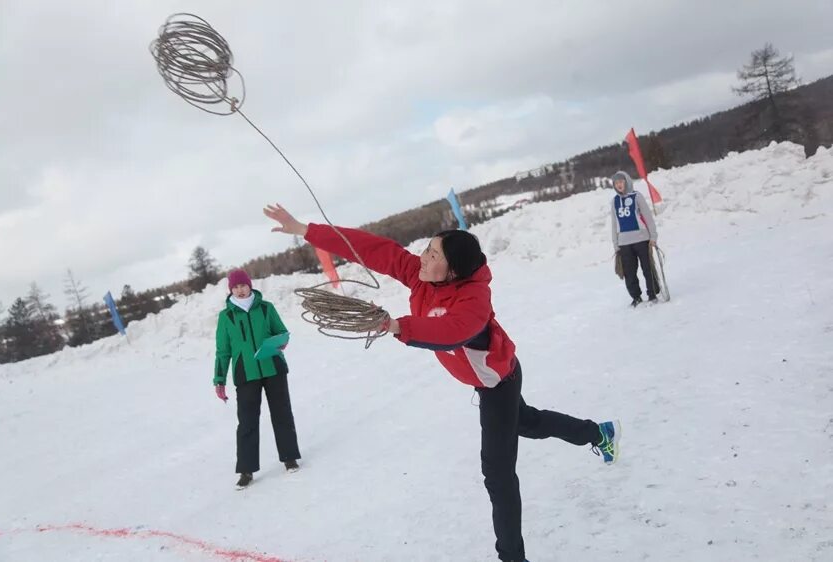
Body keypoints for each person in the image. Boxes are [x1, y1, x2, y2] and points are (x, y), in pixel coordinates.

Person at [263, 204, 620, 562]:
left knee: (497, 474)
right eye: (427, 248)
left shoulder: (473, 299)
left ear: (453, 271)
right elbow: (374, 249)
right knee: (527, 422)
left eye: (434, 254)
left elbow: (452, 331)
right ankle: (599, 433)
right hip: (488, 381)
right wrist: (304, 229)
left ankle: (513, 557)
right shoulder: (422, 275)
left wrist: (398, 325)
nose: (423, 257)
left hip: (499, 383)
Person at [213, 269, 301, 489]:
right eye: (236, 287)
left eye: (243, 285)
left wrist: (281, 342)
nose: (240, 290)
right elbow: (222, 351)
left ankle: (289, 457)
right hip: (246, 373)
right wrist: (219, 379)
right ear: (230, 290)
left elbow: (281, 331)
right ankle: (246, 470)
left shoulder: (265, 307)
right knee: (247, 422)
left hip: (273, 367)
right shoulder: (227, 317)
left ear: (250, 285)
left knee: (282, 414)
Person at [610, 170, 659, 307]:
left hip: (641, 239)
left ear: (627, 181)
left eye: (621, 182)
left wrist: (653, 236)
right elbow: (614, 224)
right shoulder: (614, 202)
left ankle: (652, 293)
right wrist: (616, 244)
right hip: (624, 242)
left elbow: (648, 218)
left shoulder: (637, 196)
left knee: (647, 268)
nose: (619, 185)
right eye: (616, 183)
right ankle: (636, 296)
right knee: (629, 272)